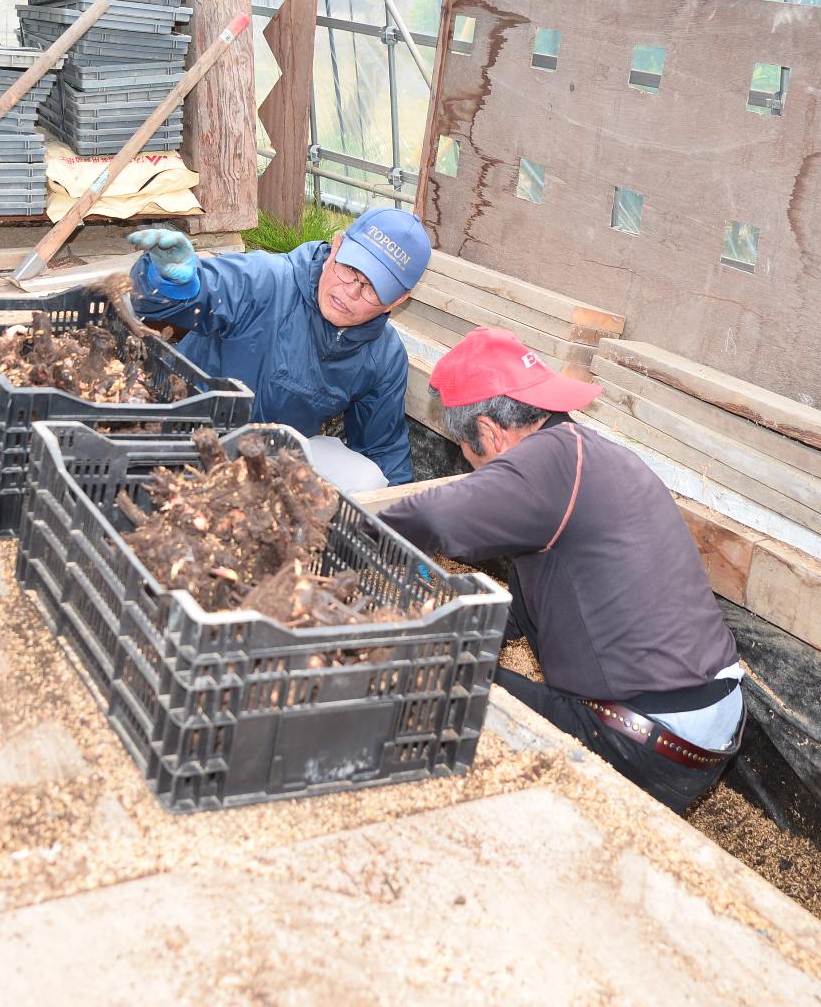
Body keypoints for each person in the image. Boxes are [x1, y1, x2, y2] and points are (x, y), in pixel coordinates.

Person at [378, 328, 745, 814]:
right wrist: (446, 623)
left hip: (645, 737)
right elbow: (537, 602)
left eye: (474, 458)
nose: (477, 472)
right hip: (704, 722)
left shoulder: (546, 461)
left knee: (438, 684)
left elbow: (432, 517)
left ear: (489, 431)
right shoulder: (587, 453)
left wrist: (349, 531)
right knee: (460, 663)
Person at [128, 207, 430, 491]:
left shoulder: (384, 355)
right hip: (191, 436)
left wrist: (402, 522)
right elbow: (201, 291)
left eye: (372, 288)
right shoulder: (266, 280)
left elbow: (383, 448)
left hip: (277, 453)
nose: (349, 292)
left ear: (397, 300)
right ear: (336, 247)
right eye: (350, 269)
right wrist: (169, 283)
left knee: (369, 481)